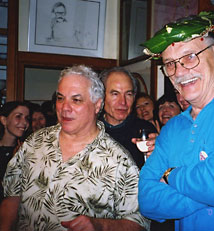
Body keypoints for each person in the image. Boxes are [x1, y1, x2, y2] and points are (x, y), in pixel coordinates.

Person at [0, 65, 150, 231]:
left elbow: (139, 223)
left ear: (97, 105)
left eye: (76, 100)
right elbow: (12, 195)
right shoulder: (35, 142)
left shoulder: (118, 161)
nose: (65, 108)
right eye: (60, 98)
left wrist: (100, 225)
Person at [138, 11, 214, 231]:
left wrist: (171, 175)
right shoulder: (172, 128)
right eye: (170, 64)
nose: (180, 71)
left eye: (190, 57)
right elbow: (147, 200)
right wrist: (211, 189)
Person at [99, 67, 158, 169]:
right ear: (101, 96)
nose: (123, 102)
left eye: (128, 94)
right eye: (115, 94)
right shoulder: (89, 129)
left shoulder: (144, 130)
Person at [0, 101, 30, 203]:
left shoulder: (28, 149)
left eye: (27, 118)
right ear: (4, 120)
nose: (24, 122)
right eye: (18, 116)